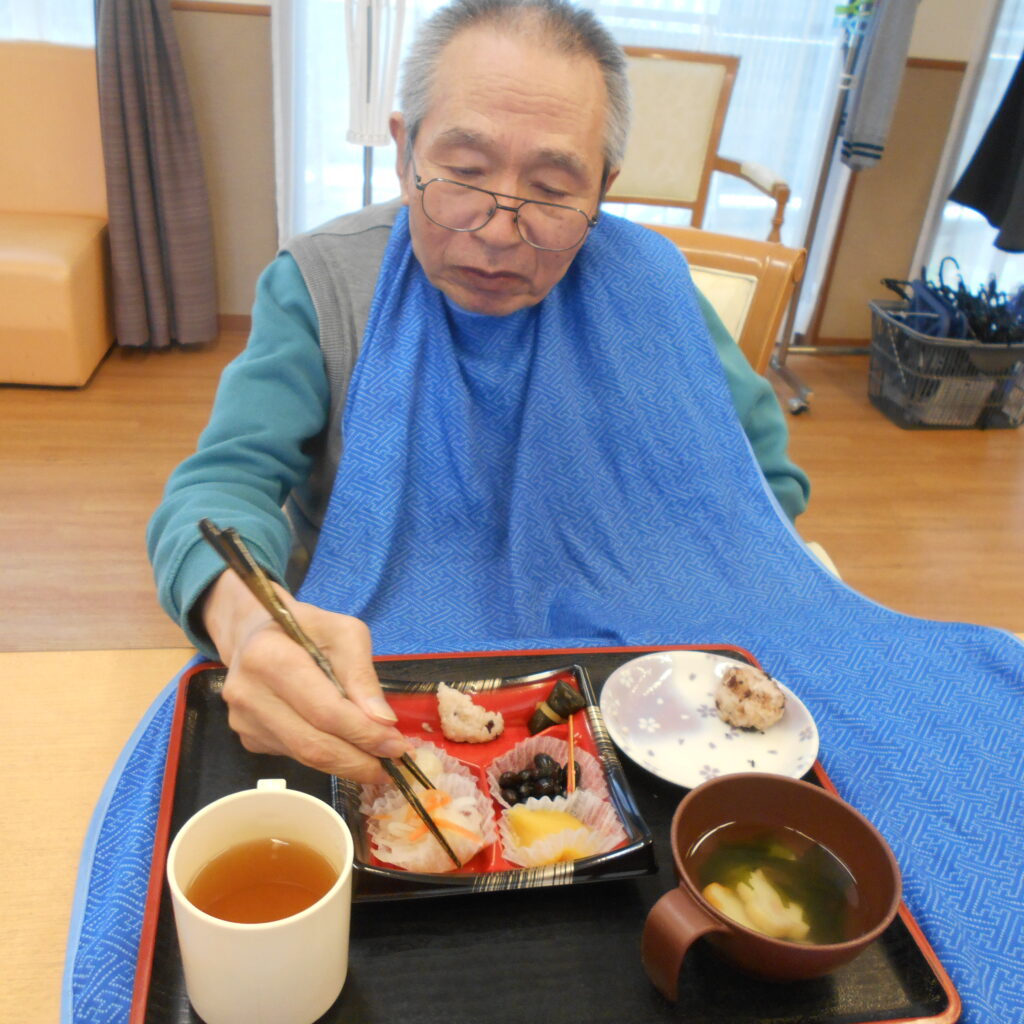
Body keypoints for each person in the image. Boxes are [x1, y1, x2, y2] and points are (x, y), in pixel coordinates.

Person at [147, 0, 809, 787]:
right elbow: (220, 489)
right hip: (372, 682)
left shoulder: (652, 289)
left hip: (634, 691)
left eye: (553, 187)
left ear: (604, 189)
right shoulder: (325, 285)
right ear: (405, 153)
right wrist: (249, 623)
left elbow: (764, 486)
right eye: (464, 173)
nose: (498, 231)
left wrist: (671, 564)